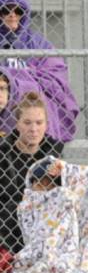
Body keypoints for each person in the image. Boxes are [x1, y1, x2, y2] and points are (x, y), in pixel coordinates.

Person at [0, 0, 79, 143]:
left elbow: (55, 77)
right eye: (5, 10)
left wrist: (15, 79)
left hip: (31, 106)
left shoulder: (37, 43)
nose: (12, 15)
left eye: (18, 11)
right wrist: (26, 74)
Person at [0, 92, 64, 258]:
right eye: (27, 123)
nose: (33, 129)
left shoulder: (54, 156)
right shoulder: (3, 154)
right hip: (8, 223)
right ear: (17, 124)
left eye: (39, 123)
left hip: (45, 224)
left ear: (46, 125)